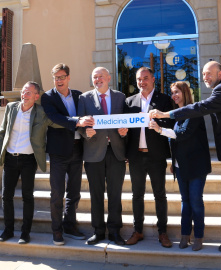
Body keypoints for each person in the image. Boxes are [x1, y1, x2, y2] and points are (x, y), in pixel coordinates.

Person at [149, 61, 221, 258]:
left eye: (209, 74)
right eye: (203, 74)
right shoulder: (218, 91)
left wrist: (166, 114)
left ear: (220, 74)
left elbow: (200, 108)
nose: (205, 77)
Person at [149, 82, 211, 251]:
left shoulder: (194, 111)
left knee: (196, 202)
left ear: (185, 92)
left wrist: (160, 130)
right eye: (172, 93)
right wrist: (173, 161)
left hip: (196, 166)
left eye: (176, 92)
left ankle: (198, 237)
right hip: (180, 166)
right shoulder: (177, 115)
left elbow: (183, 135)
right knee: (185, 201)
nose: (174, 95)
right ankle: (185, 235)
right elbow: (175, 143)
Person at [0, 81, 61, 244]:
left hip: (29, 159)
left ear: (36, 96)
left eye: (28, 93)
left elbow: (57, 122)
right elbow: (2, 131)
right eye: (23, 92)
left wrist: (76, 122)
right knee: (6, 196)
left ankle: (25, 233)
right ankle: (8, 230)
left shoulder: (41, 112)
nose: (24, 95)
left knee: (28, 196)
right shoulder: (11, 108)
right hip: (11, 158)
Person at [41, 63, 93, 246]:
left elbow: (89, 115)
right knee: (57, 192)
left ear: (68, 77)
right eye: (56, 77)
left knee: (74, 191)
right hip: (58, 152)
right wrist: (78, 121)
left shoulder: (79, 96)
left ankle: (70, 225)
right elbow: (55, 117)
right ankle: (57, 230)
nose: (59, 80)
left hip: (78, 148)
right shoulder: (47, 97)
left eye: (62, 77)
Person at [77, 67, 128, 246]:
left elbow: (126, 122)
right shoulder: (84, 98)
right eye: (94, 77)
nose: (98, 79)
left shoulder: (121, 97)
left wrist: (124, 132)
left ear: (109, 78)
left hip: (116, 152)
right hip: (93, 154)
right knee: (95, 194)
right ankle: (98, 231)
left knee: (115, 194)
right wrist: (85, 132)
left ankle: (115, 232)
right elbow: (80, 123)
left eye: (101, 76)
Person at [125, 67, 174, 248]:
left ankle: (163, 232)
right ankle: (138, 231)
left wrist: (157, 123)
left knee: (159, 195)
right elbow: (126, 130)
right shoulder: (130, 101)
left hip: (156, 156)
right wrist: (123, 133)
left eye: (145, 78)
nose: (142, 82)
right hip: (136, 157)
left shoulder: (164, 100)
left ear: (153, 79)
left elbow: (171, 123)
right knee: (137, 195)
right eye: (139, 79)